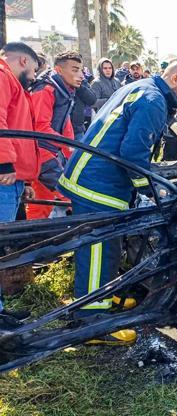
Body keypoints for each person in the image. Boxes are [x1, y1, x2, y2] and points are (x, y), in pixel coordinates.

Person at [58, 61, 177, 344]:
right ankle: (91, 322)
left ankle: (104, 297)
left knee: (107, 247)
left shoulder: (141, 88)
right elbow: (132, 152)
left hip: (94, 176)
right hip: (97, 184)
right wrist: (154, 191)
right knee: (99, 249)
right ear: (175, 78)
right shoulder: (154, 100)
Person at [0, 42, 40, 326]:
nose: (35, 76)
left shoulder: (12, 83)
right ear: (24, 60)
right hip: (4, 176)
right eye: (35, 69)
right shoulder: (3, 77)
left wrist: (24, 178)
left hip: (13, 178)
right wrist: (3, 163)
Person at [28, 50, 84, 220]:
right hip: (40, 151)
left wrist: (72, 152)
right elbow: (39, 128)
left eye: (81, 70)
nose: (81, 75)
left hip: (48, 151)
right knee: (70, 194)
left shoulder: (63, 90)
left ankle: (33, 240)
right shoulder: (45, 90)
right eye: (75, 70)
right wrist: (68, 146)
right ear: (59, 70)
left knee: (42, 202)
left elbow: (65, 126)